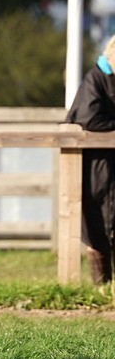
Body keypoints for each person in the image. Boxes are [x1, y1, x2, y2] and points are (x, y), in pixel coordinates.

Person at [65, 35, 115, 284]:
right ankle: (102, 287)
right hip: (96, 166)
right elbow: (88, 119)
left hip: (107, 163)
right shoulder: (97, 79)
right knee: (98, 224)